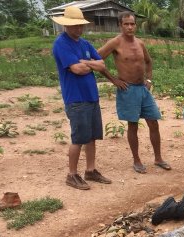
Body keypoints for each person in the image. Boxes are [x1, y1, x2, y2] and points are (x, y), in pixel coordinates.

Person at [97, 13, 170, 174]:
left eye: (132, 24)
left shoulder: (140, 43)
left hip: (143, 89)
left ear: (135, 25)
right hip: (127, 89)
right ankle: (136, 160)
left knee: (153, 122)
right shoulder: (115, 42)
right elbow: (97, 60)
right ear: (120, 25)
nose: (129, 27)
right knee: (133, 125)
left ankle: (158, 158)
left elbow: (149, 62)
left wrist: (149, 80)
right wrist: (114, 80)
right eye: (126, 24)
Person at [52, 6, 112, 190]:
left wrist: (85, 63)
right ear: (66, 26)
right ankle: (72, 174)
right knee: (78, 138)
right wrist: (88, 65)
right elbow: (77, 70)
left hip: (91, 97)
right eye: (75, 25)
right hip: (76, 99)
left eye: (80, 25)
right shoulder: (61, 44)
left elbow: (102, 65)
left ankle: (90, 170)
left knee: (92, 136)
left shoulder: (84, 44)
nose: (79, 29)